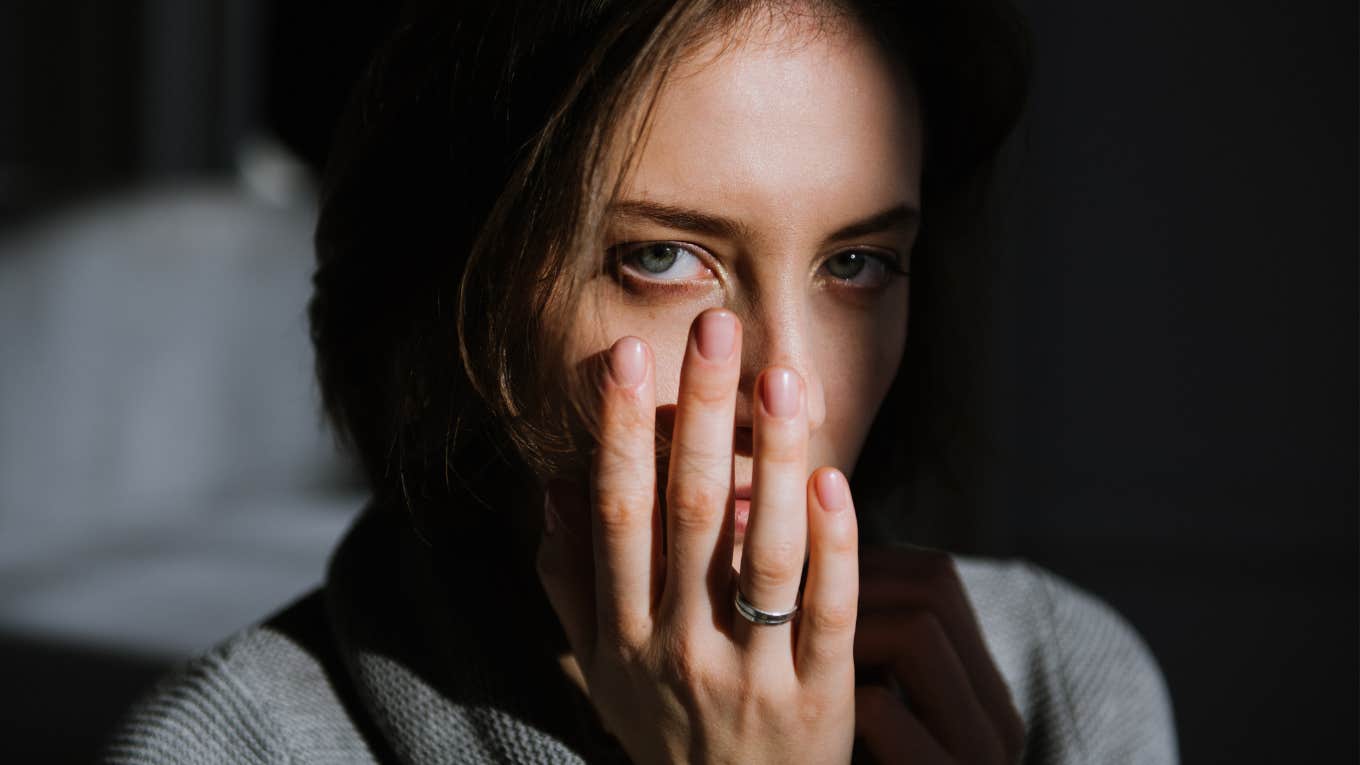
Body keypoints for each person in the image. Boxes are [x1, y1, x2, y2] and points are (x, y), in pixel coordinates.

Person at [105, 0, 1178, 762]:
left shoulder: (1053, 682)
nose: (787, 390)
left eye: (855, 263)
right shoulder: (238, 740)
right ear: (453, 289)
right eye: (662, 259)